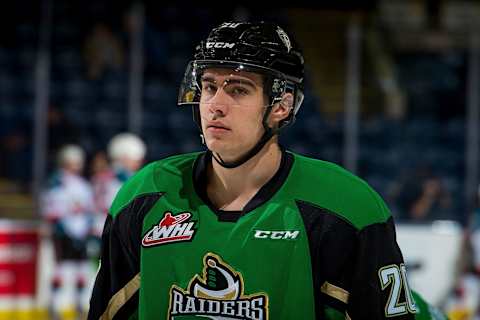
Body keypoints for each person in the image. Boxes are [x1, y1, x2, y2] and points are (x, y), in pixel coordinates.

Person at [88, 21, 439, 319]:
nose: (216, 105)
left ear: (281, 106)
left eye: (238, 90)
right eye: (209, 86)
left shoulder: (346, 209)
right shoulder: (146, 195)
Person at [41, 144, 95, 317]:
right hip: (64, 231)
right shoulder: (56, 182)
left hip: (80, 231)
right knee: (61, 268)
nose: (76, 165)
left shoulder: (82, 184)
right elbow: (50, 209)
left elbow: (88, 208)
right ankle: (54, 304)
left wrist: (88, 226)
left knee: (82, 267)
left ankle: (79, 303)